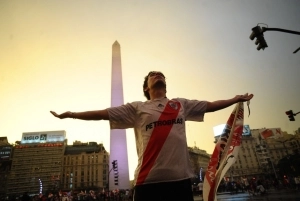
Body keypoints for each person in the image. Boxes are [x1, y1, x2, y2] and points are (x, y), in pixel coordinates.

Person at [50, 71, 253, 201]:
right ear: (146, 88)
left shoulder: (181, 104)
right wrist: (73, 115)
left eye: (160, 74)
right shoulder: (136, 108)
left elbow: (209, 105)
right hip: (147, 183)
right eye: (152, 75)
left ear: (165, 83)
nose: (157, 75)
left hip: (180, 181)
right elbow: (104, 113)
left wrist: (235, 98)